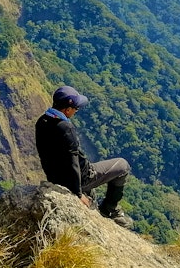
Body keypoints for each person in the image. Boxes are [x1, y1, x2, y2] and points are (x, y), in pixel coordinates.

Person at [35, 85, 134, 229]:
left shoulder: (42, 121)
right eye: (76, 108)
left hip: (55, 176)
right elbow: (72, 162)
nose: (76, 110)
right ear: (67, 110)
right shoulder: (65, 128)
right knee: (123, 166)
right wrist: (78, 193)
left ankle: (94, 200)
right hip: (81, 177)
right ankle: (110, 210)